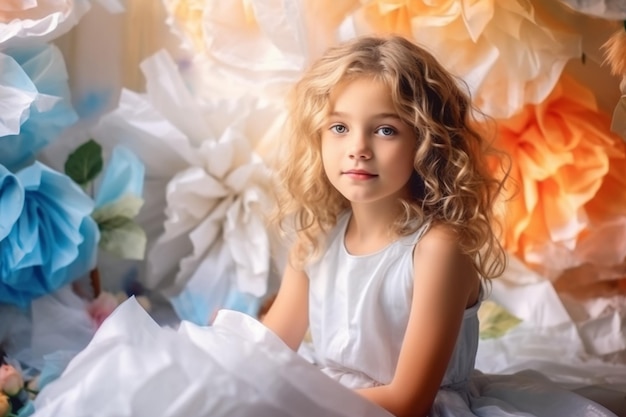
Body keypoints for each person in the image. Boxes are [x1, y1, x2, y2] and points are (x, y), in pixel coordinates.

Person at [262, 35, 619, 417]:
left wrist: (295, 405)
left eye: (385, 130)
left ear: (425, 141)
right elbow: (268, 349)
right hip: (328, 401)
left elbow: (407, 401)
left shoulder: (438, 248)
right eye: (339, 128)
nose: (358, 148)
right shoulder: (317, 236)